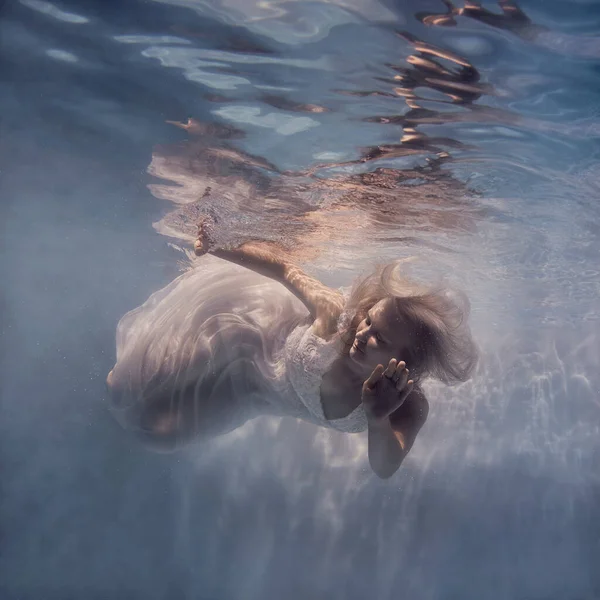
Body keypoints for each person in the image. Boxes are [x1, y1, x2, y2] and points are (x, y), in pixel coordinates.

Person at [107, 221, 477, 479]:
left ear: (407, 362)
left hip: (258, 396)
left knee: (158, 433)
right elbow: (284, 269)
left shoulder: (407, 405)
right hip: (246, 336)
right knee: (125, 387)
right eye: (368, 321)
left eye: (381, 337)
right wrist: (218, 247)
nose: (362, 333)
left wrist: (378, 416)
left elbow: (385, 468)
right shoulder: (337, 316)